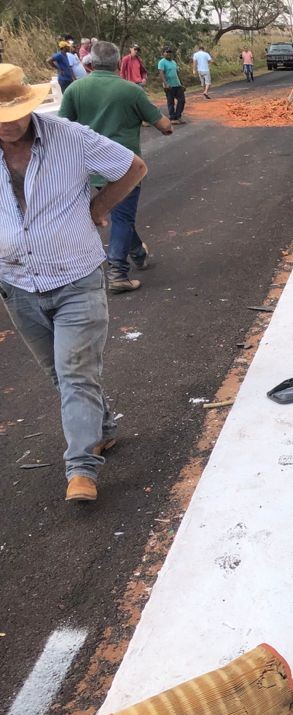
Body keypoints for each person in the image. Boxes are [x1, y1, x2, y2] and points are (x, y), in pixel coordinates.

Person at [0, 62, 148, 503]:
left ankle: (81, 467)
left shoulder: (69, 137)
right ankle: (102, 429)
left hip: (76, 277)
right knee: (60, 375)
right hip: (17, 283)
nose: (8, 124)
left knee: (75, 373)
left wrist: (98, 207)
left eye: (15, 113)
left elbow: (133, 166)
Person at [60, 41, 172, 294]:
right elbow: (165, 126)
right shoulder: (130, 91)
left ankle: (138, 255)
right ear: (118, 63)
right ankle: (118, 272)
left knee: (121, 214)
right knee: (122, 217)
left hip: (90, 169)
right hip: (124, 168)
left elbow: (62, 128)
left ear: (90, 61)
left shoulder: (75, 90)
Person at [158, 48, 186, 124]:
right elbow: (161, 73)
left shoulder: (174, 62)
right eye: (167, 52)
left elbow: (177, 73)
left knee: (182, 100)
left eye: (170, 52)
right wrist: (166, 84)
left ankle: (178, 116)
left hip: (177, 84)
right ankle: (172, 118)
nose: (169, 53)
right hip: (169, 85)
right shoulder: (162, 62)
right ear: (163, 53)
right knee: (171, 102)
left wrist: (182, 84)